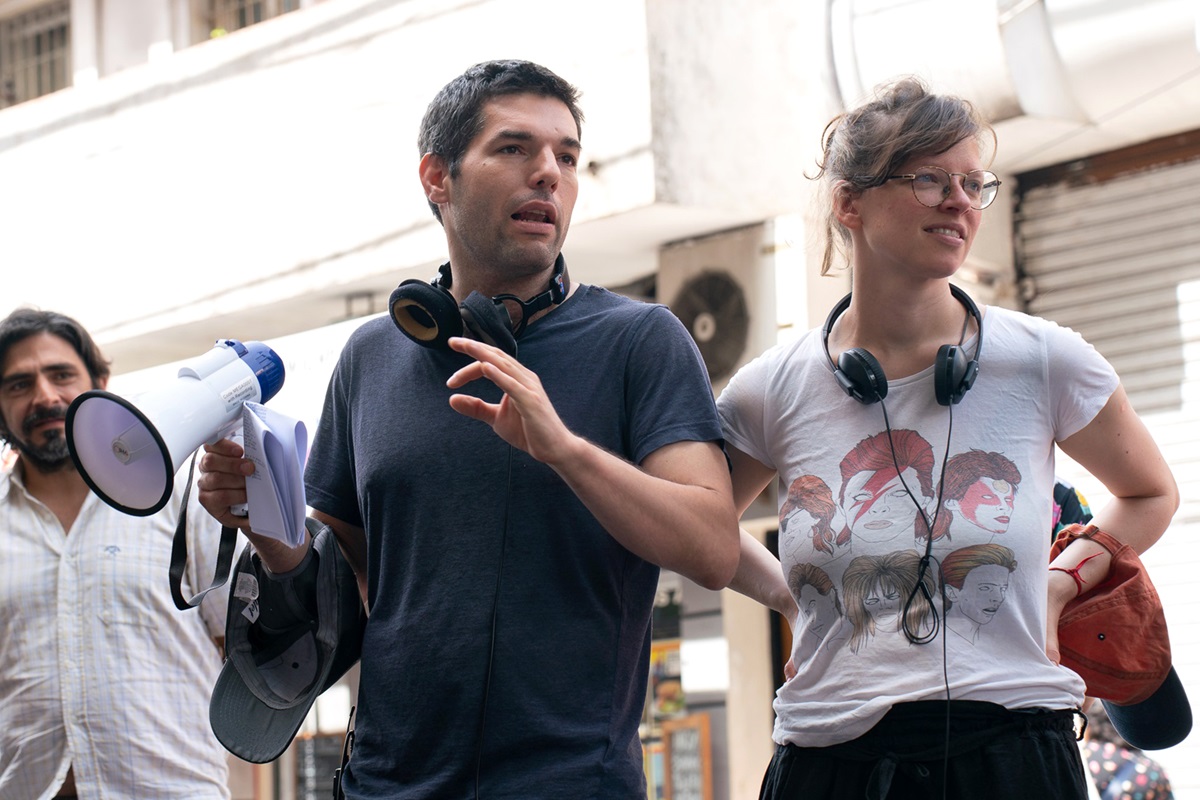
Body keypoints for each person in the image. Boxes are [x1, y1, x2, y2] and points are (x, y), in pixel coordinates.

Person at [197, 59, 739, 798]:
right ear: (437, 177)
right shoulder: (370, 356)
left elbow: (711, 546)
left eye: (568, 156)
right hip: (384, 785)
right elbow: (341, 590)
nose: (549, 173)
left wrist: (565, 451)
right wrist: (266, 522)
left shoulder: (642, 341)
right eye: (515, 148)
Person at [720, 77, 1178, 798]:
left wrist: (1062, 585)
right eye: (930, 178)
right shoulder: (770, 388)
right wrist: (786, 597)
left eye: (973, 182)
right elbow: (698, 526)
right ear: (850, 202)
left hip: (1013, 753)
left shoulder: (1044, 358)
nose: (960, 201)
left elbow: (1150, 492)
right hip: (829, 760)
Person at [0, 308, 232, 799]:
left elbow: (245, 639)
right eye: (18, 385)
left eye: (61, 374)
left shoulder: (180, 496)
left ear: (101, 383)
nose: (44, 396)